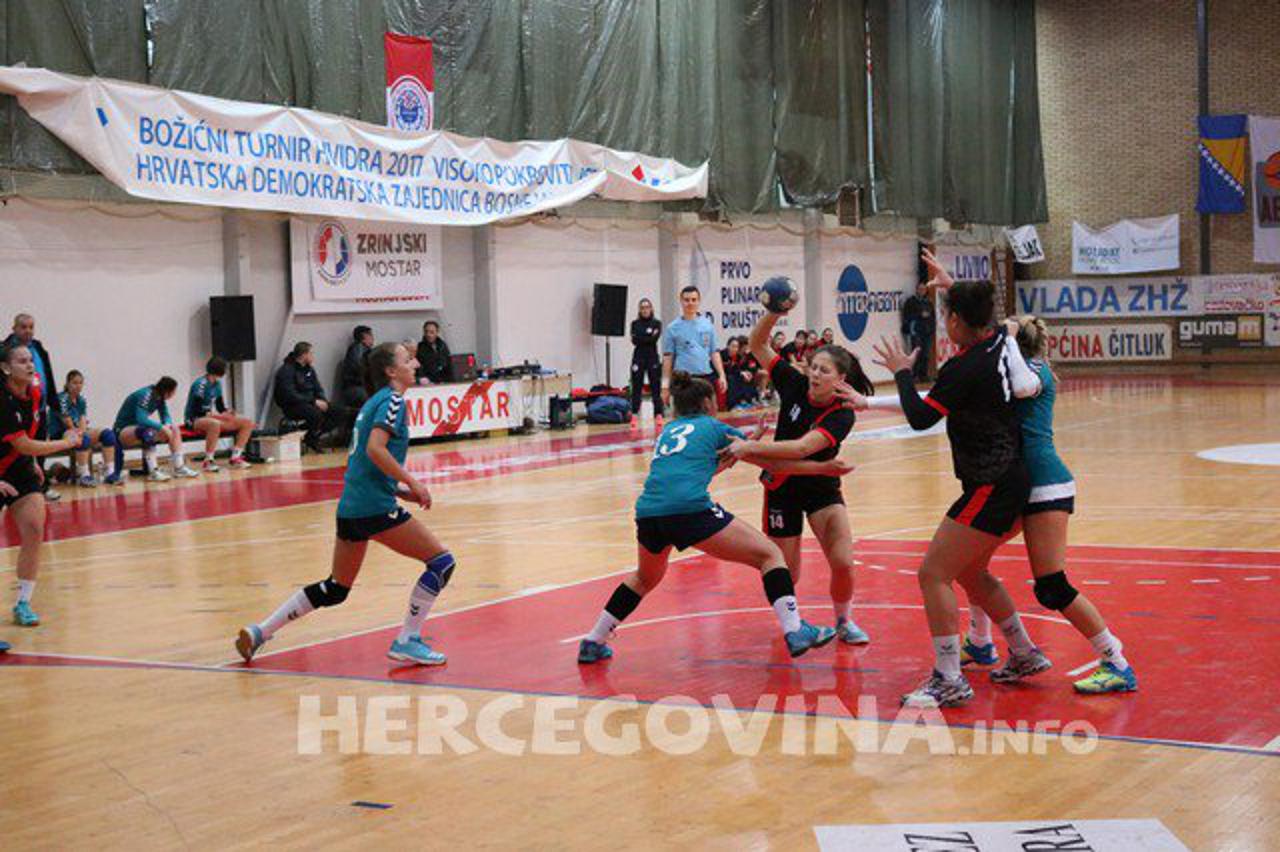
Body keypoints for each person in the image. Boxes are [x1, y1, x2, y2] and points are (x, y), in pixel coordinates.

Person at [853, 248, 1043, 708]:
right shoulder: (997, 341)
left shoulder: (964, 366)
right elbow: (982, 314)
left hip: (989, 484)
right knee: (972, 572)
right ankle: (1023, 652)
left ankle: (949, 677)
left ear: (956, 321)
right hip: (1009, 478)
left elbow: (921, 419)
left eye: (947, 315)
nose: (945, 323)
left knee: (933, 573)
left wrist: (902, 374)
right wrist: (950, 285)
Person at [577, 372, 852, 664]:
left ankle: (593, 640)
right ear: (709, 403)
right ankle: (795, 629)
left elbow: (706, 465)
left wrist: (750, 443)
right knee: (771, 555)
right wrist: (822, 468)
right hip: (689, 510)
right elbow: (772, 464)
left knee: (644, 578)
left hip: (649, 514)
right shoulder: (714, 426)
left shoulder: (668, 431)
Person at [236, 342, 458, 666]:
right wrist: (412, 482)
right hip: (374, 508)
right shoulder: (393, 401)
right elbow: (375, 450)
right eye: (407, 360)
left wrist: (400, 491)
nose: (416, 364)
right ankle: (408, 639)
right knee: (442, 563)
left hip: (351, 508)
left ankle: (260, 631)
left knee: (336, 588)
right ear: (391, 371)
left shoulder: (373, 403)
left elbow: (363, 465)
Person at [963, 317, 1137, 694]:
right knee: (968, 562)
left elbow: (1023, 386)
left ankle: (1116, 662)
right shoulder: (1008, 370)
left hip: (1045, 484)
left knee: (1052, 587)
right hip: (1014, 484)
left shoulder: (1034, 369)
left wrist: (1006, 340)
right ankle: (979, 641)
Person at [728, 305, 876, 645]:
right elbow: (757, 344)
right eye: (813, 367)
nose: (815, 374)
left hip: (821, 487)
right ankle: (794, 627)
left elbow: (800, 449)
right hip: (782, 488)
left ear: (841, 379)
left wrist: (750, 448)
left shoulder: (842, 413)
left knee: (843, 561)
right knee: (786, 571)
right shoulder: (793, 382)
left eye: (824, 370)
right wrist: (774, 311)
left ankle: (844, 621)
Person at [1, 344, 82, 627]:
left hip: (18, 467)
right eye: (22, 361)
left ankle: (23, 602)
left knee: (34, 528)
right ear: (6, 368)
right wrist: (66, 442)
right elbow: (22, 443)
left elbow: (31, 435)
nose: (30, 365)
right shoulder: (2, 399)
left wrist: (33, 460)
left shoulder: (35, 390)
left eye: (30, 360)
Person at [4, 314, 61, 501]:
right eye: (23, 327)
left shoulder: (38, 348)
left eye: (31, 327)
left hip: (38, 408)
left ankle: (40, 485)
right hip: (14, 409)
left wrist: (54, 404)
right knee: (18, 447)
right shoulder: (5, 350)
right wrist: (68, 442)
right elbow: (24, 445)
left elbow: (47, 377)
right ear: (14, 328)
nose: (28, 331)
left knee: (38, 446)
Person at [115, 377, 200, 481]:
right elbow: (141, 419)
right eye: (174, 391)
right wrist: (162, 427)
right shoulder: (146, 395)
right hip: (122, 431)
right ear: (168, 392)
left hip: (137, 430)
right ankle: (153, 471)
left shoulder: (159, 397)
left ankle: (179, 467)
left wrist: (167, 425)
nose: (174, 394)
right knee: (148, 432)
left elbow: (165, 415)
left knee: (174, 429)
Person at [660, 286, 726, 410]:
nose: (690, 303)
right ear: (681, 301)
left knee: (708, 412)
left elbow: (714, 352)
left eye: (694, 300)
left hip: (705, 378)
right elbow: (668, 359)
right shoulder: (672, 328)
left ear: (699, 301)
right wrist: (664, 387)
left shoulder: (707, 325)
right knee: (683, 414)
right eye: (687, 300)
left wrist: (722, 375)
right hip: (683, 379)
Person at [184, 357, 254, 472]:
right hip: (194, 419)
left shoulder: (217, 384)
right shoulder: (200, 384)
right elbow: (200, 412)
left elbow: (220, 407)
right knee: (214, 424)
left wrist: (229, 413)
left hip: (209, 417)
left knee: (247, 423)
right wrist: (222, 417)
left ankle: (236, 457)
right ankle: (208, 461)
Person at [52, 370, 119, 487]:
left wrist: (82, 432)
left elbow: (82, 419)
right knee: (83, 439)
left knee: (108, 435)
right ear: (67, 384)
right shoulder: (62, 398)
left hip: (75, 431)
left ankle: (110, 473)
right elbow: (67, 421)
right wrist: (81, 434)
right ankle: (84, 475)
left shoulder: (81, 400)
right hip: (60, 433)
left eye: (80, 383)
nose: (78, 386)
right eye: (74, 383)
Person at [274, 342, 332, 452]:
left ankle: (307, 435)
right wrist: (313, 401)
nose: (313, 356)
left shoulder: (310, 369)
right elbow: (290, 394)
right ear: (304, 355)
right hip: (294, 405)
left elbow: (318, 388)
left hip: (311, 402)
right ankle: (305, 436)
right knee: (316, 415)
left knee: (338, 412)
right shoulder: (286, 370)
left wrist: (323, 400)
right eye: (311, 353)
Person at [628, 299, 664, 429]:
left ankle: (658, 414)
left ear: (651, 309)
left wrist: (642, 337)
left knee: (655, 386)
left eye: (647, 307)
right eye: (642, 308)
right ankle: (634, 414)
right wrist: (647, 337)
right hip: (638, 358)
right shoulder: (635, 324)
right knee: (636, 386)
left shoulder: (657, 323)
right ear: (639, 310)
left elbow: (653, 339)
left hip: (652, 358)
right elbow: (635, 341)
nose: (645, 310)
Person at [902, 280, 936, 382]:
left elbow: (933, 317)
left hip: (927, 331)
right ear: (916, 290)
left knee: (926, 354)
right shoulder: (911, 301)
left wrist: (932, 328)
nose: (922, 291)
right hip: (916, 331)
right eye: (920, 289)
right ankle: (914, 374)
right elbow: (906, 315)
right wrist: (919, 315)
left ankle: (923, 375)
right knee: (916, 353)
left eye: (924, 289)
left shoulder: (928, 302)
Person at [339, 325, 374, 411]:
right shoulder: (357, 348)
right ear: (364, 336)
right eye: (370, 335)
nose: (373, 338)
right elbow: (360, 369)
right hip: (355, 387)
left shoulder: (366, 350)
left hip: (360, 386)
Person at [721, 336, 760, 410]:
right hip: (721, 375)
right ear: (728, 346)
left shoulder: (738, 356)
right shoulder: (722, 354)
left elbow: (737, 369)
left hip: (733, 375)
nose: (735, 349)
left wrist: (745, 373)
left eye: (737, 347)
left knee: (746, 378)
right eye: (733, 346)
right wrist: (740, 373)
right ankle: (732, 405)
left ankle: (749, 400)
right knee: (732, 379)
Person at [415, 320, 453, 385]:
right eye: (426, 332)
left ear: (437, 332)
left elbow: (448, 363)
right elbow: (419, 368)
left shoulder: (442, 345)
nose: (428, 334)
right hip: (428, 382)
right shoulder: (419, 347)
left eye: (431, 332)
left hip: (444, 381)